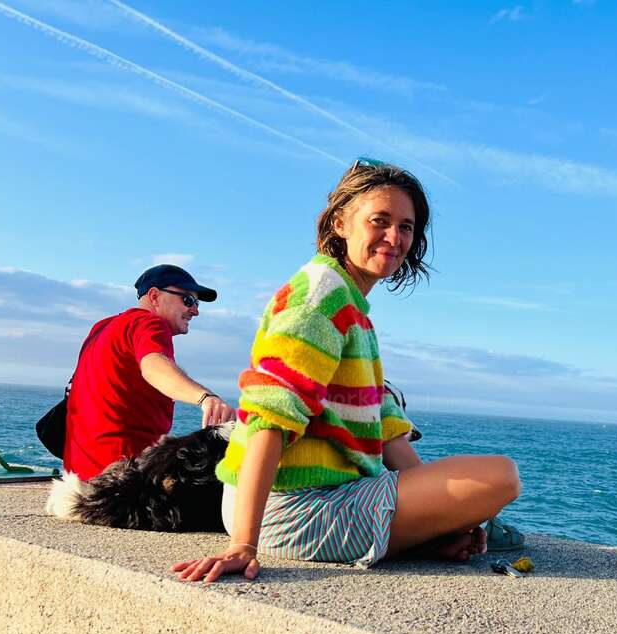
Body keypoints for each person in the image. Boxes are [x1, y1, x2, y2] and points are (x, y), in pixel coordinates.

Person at [173, 161, 520, 583]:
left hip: (325, 500)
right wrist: (243, 545)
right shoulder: (319, 294)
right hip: (296, 510)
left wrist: (441, 519)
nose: (395, 237)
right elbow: (270, 414)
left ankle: (426, 539)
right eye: (380, 221)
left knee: (483, 489)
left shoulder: (353, 308)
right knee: (501, 476)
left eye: (406, 227)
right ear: (340, 222)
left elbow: (387, 433)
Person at [63, 264, 235, 480]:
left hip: (78, 478)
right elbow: (154, 367)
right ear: (154, 296)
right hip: (121, 479)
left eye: (197, 303)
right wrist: (206, 398)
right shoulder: (149, 323)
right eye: (188, 300)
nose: (195, 310)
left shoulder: (102, 327)